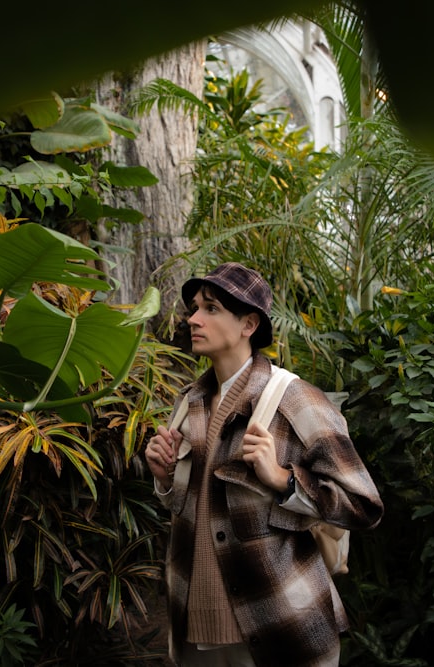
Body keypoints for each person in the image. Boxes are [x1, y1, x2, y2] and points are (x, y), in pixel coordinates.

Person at [145, 262, 384, 667]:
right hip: (193, 622)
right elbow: (188, 506)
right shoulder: (188, 403)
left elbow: (363, 504)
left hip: (277, 626)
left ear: (248, 324)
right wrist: (165, 477)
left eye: (211, 308)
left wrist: (283, 480)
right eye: (193, 308)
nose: (194, 318)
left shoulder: (296, 399)